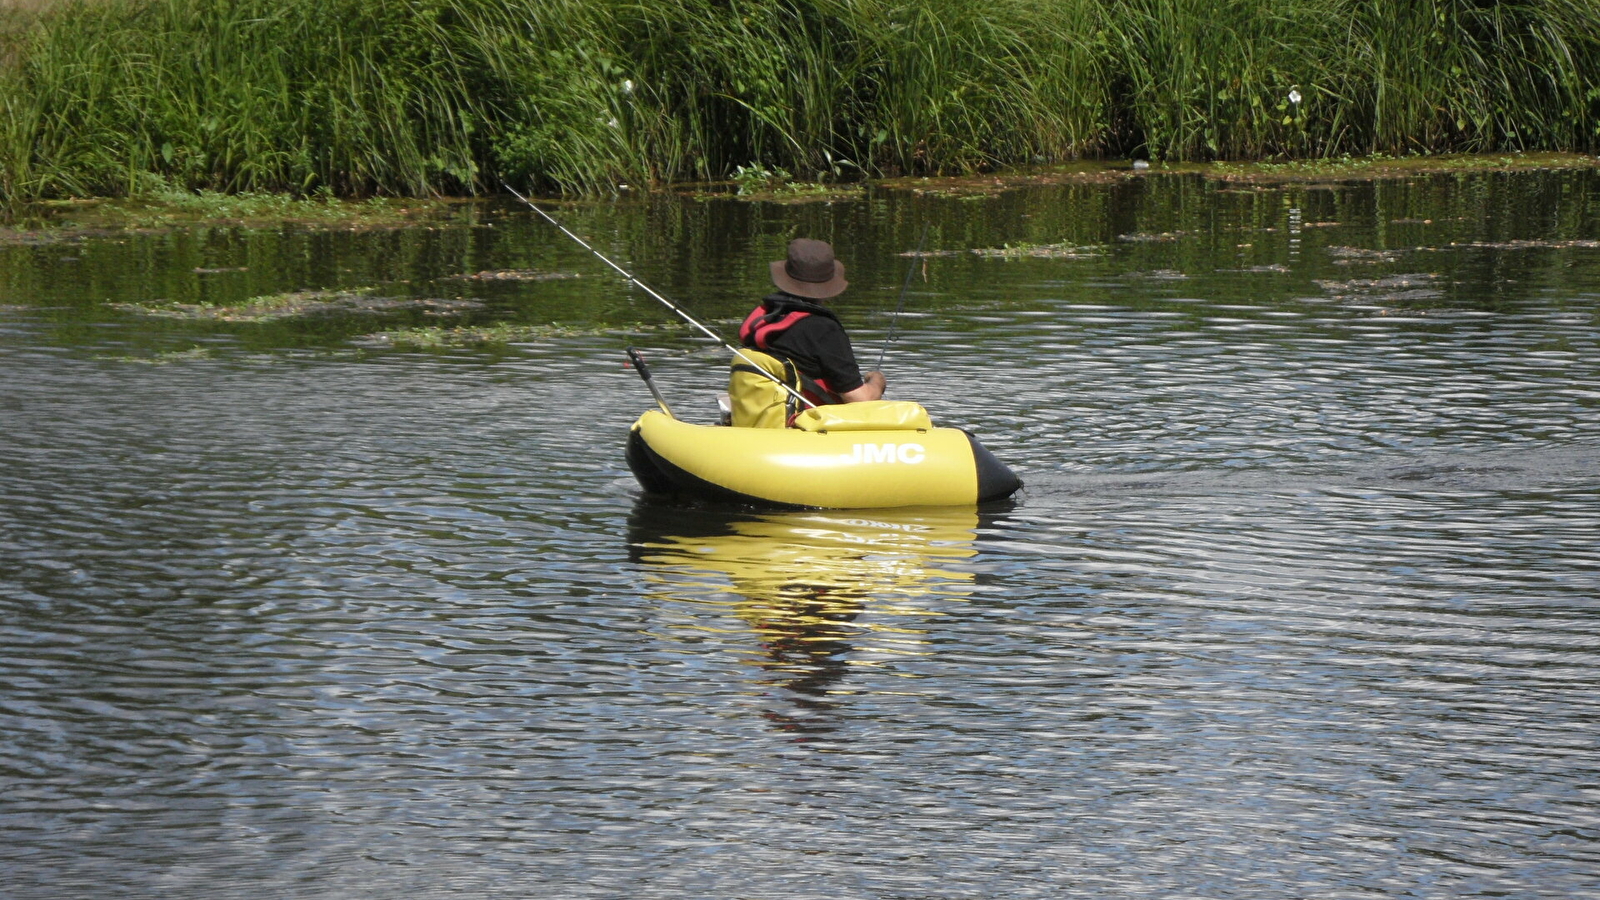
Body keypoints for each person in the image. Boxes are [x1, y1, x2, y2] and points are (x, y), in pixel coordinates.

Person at [728, 238, 884, 427]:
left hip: (758, 422)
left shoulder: (763, 317)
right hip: (804, 430)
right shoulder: (823, 329)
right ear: (828, 285)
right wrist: (877, 381)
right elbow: (860, 400)